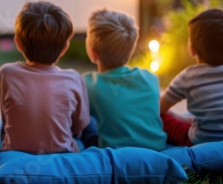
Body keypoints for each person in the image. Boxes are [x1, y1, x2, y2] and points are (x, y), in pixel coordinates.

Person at [0, 1, 89, 154]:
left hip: (13, 149)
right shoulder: (74, 78)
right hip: (62, 150)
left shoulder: (6, 73)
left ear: (18, 43)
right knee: (89, 126)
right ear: (65, 48)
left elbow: (6, 118)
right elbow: (79, 124)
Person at [83, 9, 166, 151]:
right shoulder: (151, 78)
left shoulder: (87, 83)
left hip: (115, 154)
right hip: (156, 150)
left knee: (86, 124)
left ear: (93, 52)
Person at [160, 8, 223, 146]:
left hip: (200, 142)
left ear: (192, 48)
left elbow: (160, 108)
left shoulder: (188, 77)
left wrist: (179, 118)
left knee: (163, 119)